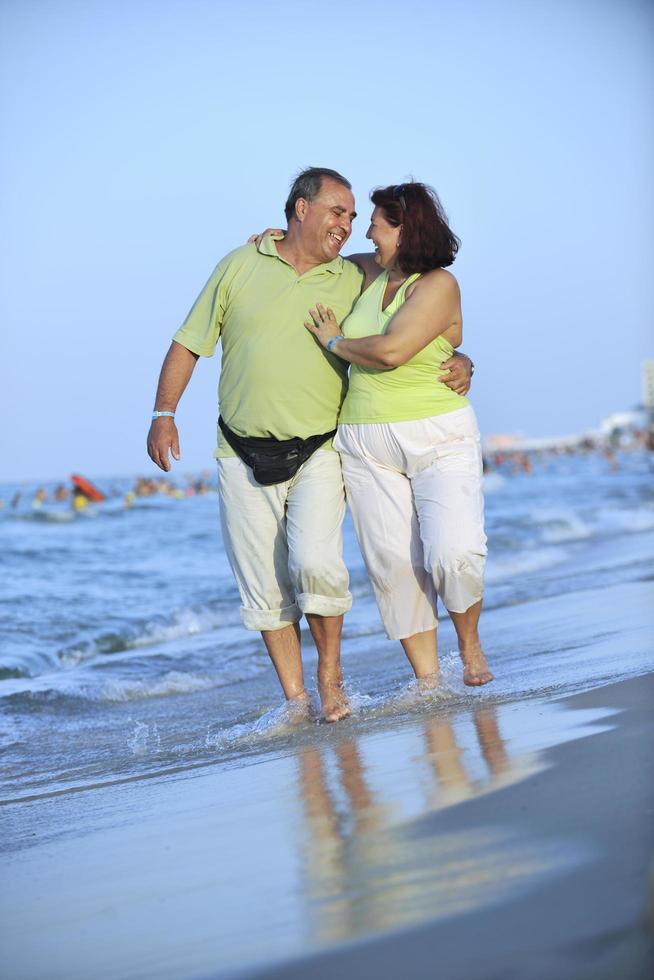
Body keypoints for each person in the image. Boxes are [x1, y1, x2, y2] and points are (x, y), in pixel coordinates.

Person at [147, 168, 474, 722]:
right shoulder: (238, 265)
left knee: (318, 566)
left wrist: (463, 359)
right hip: (240, 451)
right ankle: (296, 702)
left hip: (322, 448)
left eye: (353, 216)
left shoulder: (352, 276)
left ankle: (330, 678)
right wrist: (164, 413)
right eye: (337, 212)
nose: (349, 226)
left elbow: (418, 304)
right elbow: (189, 342)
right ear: (301, 209)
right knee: (265, 586)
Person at [303, 182, 492, 688]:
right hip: (364, 440)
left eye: (377, 223)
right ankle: (429, 681)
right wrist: (279, 235)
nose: (366, 230)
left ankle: (470, 646)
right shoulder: (369, 273)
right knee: (393, 566)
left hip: (438, 433)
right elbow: (316, 250)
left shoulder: (438, 284)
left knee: (453, 552)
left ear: (405, 229)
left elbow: (392, 351)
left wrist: (335, 341)